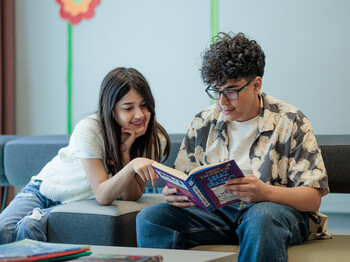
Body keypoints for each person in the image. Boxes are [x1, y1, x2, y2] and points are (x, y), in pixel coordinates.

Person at [136, 33, 330, 262]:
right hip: (217, 215)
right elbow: (184, 178)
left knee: (262, 217)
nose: (222, 102)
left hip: (274, 213)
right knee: (150, 218)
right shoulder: (203, 122)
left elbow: (313, 198)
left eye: (231, 91)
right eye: (216, 91)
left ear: (256, 84)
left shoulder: (290, 120)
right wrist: (174, 193)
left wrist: (265, 193)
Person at [0, 67, 170, 244]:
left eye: (144, 105)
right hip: (43, 191)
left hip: (77, 202)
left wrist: (125, 155)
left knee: (29, 226)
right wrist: (132, 165)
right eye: (128, 108)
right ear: (111, 110)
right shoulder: (90, 129)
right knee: (3, 230)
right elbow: (102, 192)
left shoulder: (153, 138)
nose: (140, 115)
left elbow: (130, 196)